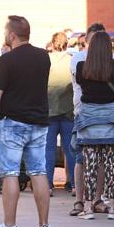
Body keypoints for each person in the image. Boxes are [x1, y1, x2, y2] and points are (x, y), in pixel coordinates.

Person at [0, 15, 52, 227]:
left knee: (10, 172)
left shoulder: (7, 61)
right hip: (39, 122)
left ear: (12, 35)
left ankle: (9, 226)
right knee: (38, 171)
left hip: (12, 123)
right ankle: (44, 226)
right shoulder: (44, 57)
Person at [74, 31, 114, 220]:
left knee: (90, 164)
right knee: (111, 163)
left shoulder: (82, 67)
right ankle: (113, 207)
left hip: (88, 118)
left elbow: (82, 86)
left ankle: (88, 207)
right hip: (111, 119)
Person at [45, 32, 76, 195]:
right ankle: (73, 184)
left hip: (48, 110)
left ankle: (48, 185)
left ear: (52, 43)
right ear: (67, 44)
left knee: (48, 149)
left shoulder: (46, 60)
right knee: (70, 148)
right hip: (68, 110)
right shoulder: (72, 61)